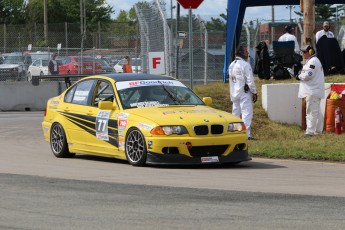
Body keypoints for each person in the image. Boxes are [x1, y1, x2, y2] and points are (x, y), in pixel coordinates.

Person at [228, 45, 258, 140]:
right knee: (246, 113)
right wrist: (254, 92)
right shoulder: (245, 65)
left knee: (235, 114)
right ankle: (246, 134)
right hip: (244, 92)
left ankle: (236, 132)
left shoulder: (232, 64)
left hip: (234, 92)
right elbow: (250, 80)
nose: (247, 53)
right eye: (246, 51)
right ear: (241, 52)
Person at [296, 45, 325, 137]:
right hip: (313, 91)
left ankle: (310, 132)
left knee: (311, 112)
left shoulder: (313, 61)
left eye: (305, 52)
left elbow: (308, 75)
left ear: (311, 52)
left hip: (312, 91)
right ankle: (318, 131)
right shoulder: (311, 61)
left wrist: (299, 76)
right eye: (303, 52)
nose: (303, 54)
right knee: (317, 112)